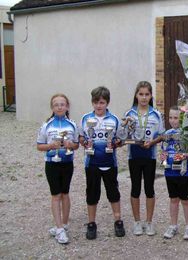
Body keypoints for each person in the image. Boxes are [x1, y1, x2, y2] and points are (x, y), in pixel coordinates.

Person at [79, 86, 125, 240]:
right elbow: (80, 138)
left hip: (109, 162)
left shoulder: (114, 119)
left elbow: (120, 140)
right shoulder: (86, 118)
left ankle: (118, 221)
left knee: (113, 193)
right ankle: (91, 223)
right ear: (92, 103)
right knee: (92, 194)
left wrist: (116, 143)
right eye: (96, 102)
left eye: (102, 102)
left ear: (107, 103)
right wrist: (85, 142)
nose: (99, 106)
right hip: (91, 163)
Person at [37, 93, 79, 244]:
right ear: (52, 108)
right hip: (51, 163)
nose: (59, 107)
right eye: (56, 104)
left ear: (67, 106)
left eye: (62, 104)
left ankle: (64, 224)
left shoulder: (72, 124)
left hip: (67, 163)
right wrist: (50, 146)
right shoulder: (46, 125)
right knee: (56, 195)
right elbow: (39, 146)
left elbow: (76, 145)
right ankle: (59, 227)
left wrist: (71, 145)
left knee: (65, 193)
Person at [124, 81, 165, 236]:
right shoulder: (129, 114)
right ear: (136, 95)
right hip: (133, 156)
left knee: (149, 189)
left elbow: (162, 135)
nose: (143, 97)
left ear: (151, 96)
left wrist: (152, 142)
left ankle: (149, 222)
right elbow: (124, 136)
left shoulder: (156, 114)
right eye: (141, 94)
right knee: (135, 188)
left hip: (150, 156)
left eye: (147, 94)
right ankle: (136, 222)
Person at [161, 106, 188, 240]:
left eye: (176, 118)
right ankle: (173, 225)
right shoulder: (167, 133)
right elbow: (164, 149)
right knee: (173, 199)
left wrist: (184, 156)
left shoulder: (187, 134)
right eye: (170, 117)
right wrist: (163, 157)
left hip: (184, 172)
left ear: (182, 119)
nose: (173, 121)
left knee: (185, 200)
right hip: (170, 172)